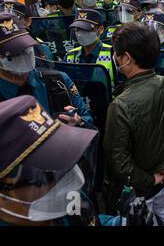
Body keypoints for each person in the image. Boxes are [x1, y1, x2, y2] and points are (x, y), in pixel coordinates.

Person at [103, 22, 164, 225]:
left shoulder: (120, 104)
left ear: (127, 58)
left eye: (117, 53)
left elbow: (118, 164)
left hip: (142, 187)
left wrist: (149, 180)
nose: (115, 58)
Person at [0, 95, 117, 226]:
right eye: (46, 176)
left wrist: (119, 222)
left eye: (62, 166)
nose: (62, 181)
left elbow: (87, 219)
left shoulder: (64, 199)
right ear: (5, 194)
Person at [0, 13, 93, 126]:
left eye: (27, 47)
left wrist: (78, 122)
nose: (24, 54)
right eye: (12, 52)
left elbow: (88, 120)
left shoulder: (59, 81)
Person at [64, 9, 115, 86]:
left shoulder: (113, 54)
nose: (80, 34)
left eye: (87, 29)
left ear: (100, 30)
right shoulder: (70, 56)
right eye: (78, 29)